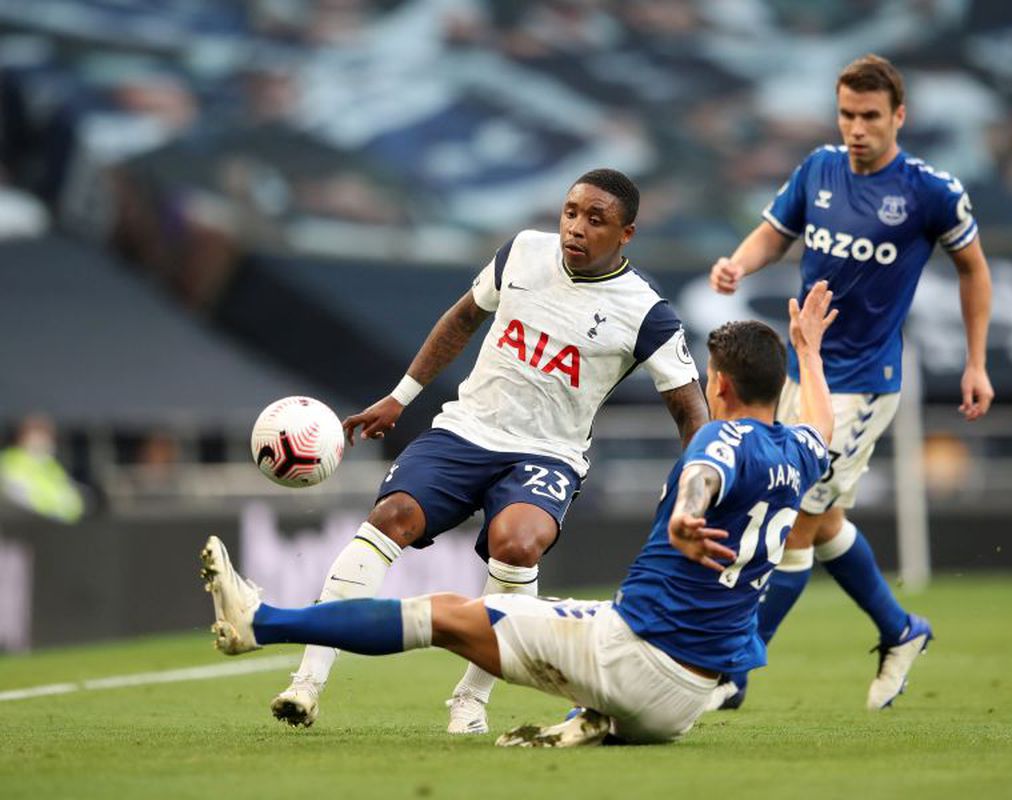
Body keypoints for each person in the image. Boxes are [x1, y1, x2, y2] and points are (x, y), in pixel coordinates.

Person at [201, 283, 836, 746]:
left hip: (630, 658)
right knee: (512, 611)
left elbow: (702, 473)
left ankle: (261, 622)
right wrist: (810, 354)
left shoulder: (717, 443)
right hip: (685, 703)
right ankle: (585, 721)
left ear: (718, 387)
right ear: (780, 392)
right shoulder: (802, 451)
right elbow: (823, 426)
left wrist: (685, 516)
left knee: (444, 616)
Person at [273, 168, 710, 734]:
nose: (576, 228)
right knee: (390, 517)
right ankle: (306, 683)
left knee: (518, 544)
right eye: (571, 212)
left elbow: (690, 408)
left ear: (626, 234)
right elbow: (462, 320)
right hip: (466, 430)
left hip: (547, 455)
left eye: (595, 220)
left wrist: (700, 487)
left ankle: (470, 699)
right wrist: (400, 397)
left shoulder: (647, 312)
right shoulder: (523, 253)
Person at [708, 54, 995, 711]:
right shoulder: (819, 168)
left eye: (870, 116)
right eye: (847, 115)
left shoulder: (930, 190)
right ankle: (901, 631)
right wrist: (737, 266)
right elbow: (773, 235)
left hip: (863, 383)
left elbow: (974, 270)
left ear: (899, 117)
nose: (857, 128)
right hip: (802, 368)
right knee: (824, 514)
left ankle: (733, 671)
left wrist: (976, 362)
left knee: (798, 521)